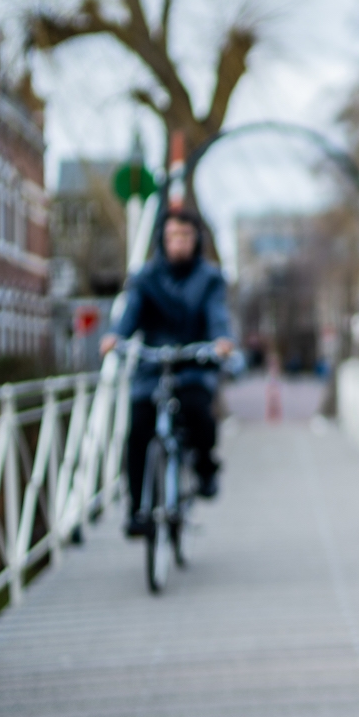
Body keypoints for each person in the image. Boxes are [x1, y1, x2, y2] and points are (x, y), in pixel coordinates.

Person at [101, 208, 236, 537]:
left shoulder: (210, 278)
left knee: (198, 412)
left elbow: (216, 313)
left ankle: (205, 467)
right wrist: (116, 335)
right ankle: (136, 510)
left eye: (186, 237)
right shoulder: (145, 278)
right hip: (152, 366)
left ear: (196, 240)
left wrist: (220, 340)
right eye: (173, 237)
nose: (179, 244)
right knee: (138, 431)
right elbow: (131, 312)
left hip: (194, 363)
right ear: (163, 240)